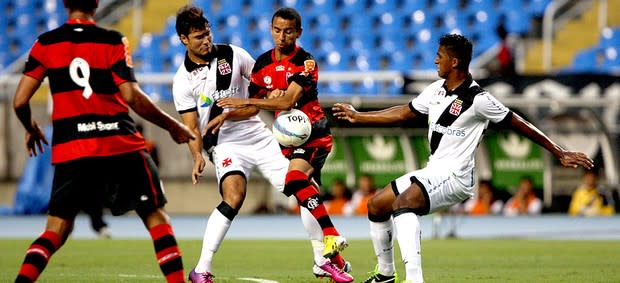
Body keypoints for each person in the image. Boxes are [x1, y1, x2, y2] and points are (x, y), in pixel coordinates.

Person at [331, 33, 594, 283]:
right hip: (434, 170)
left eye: (439, 56)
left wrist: (559, 151)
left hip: (456, 177)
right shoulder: (436, 90)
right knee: (377, 204)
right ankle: (386, 274)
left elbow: (517, 122)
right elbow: (405, 112)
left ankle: (414, 279)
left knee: (405, 202)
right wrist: (358, 116)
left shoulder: (479, 99)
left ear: (454, 61)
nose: (435, 60)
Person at [12, 0, 195, 282]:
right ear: (97, 4)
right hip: (118, 142)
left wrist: (30, 128)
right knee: (155, 217)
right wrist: (172, 125)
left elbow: (20, 100)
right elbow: (132, 96)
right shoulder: (112, 40)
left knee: (55, 230)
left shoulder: (45, 43)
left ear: (63, 4)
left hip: (72, 148)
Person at [171, 6, 352, 283]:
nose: (206, 41)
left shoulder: (234, 54)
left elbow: (259, 95)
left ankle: (321, 260)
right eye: (198, 37)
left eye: (207, 34)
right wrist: (196, 155)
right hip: (224, 143)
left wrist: (271, 93)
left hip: (257, 134)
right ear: (184, 39)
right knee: (234, 196)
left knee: (304, 187)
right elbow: (192, 126)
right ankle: (201, 269)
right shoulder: (182, 80)